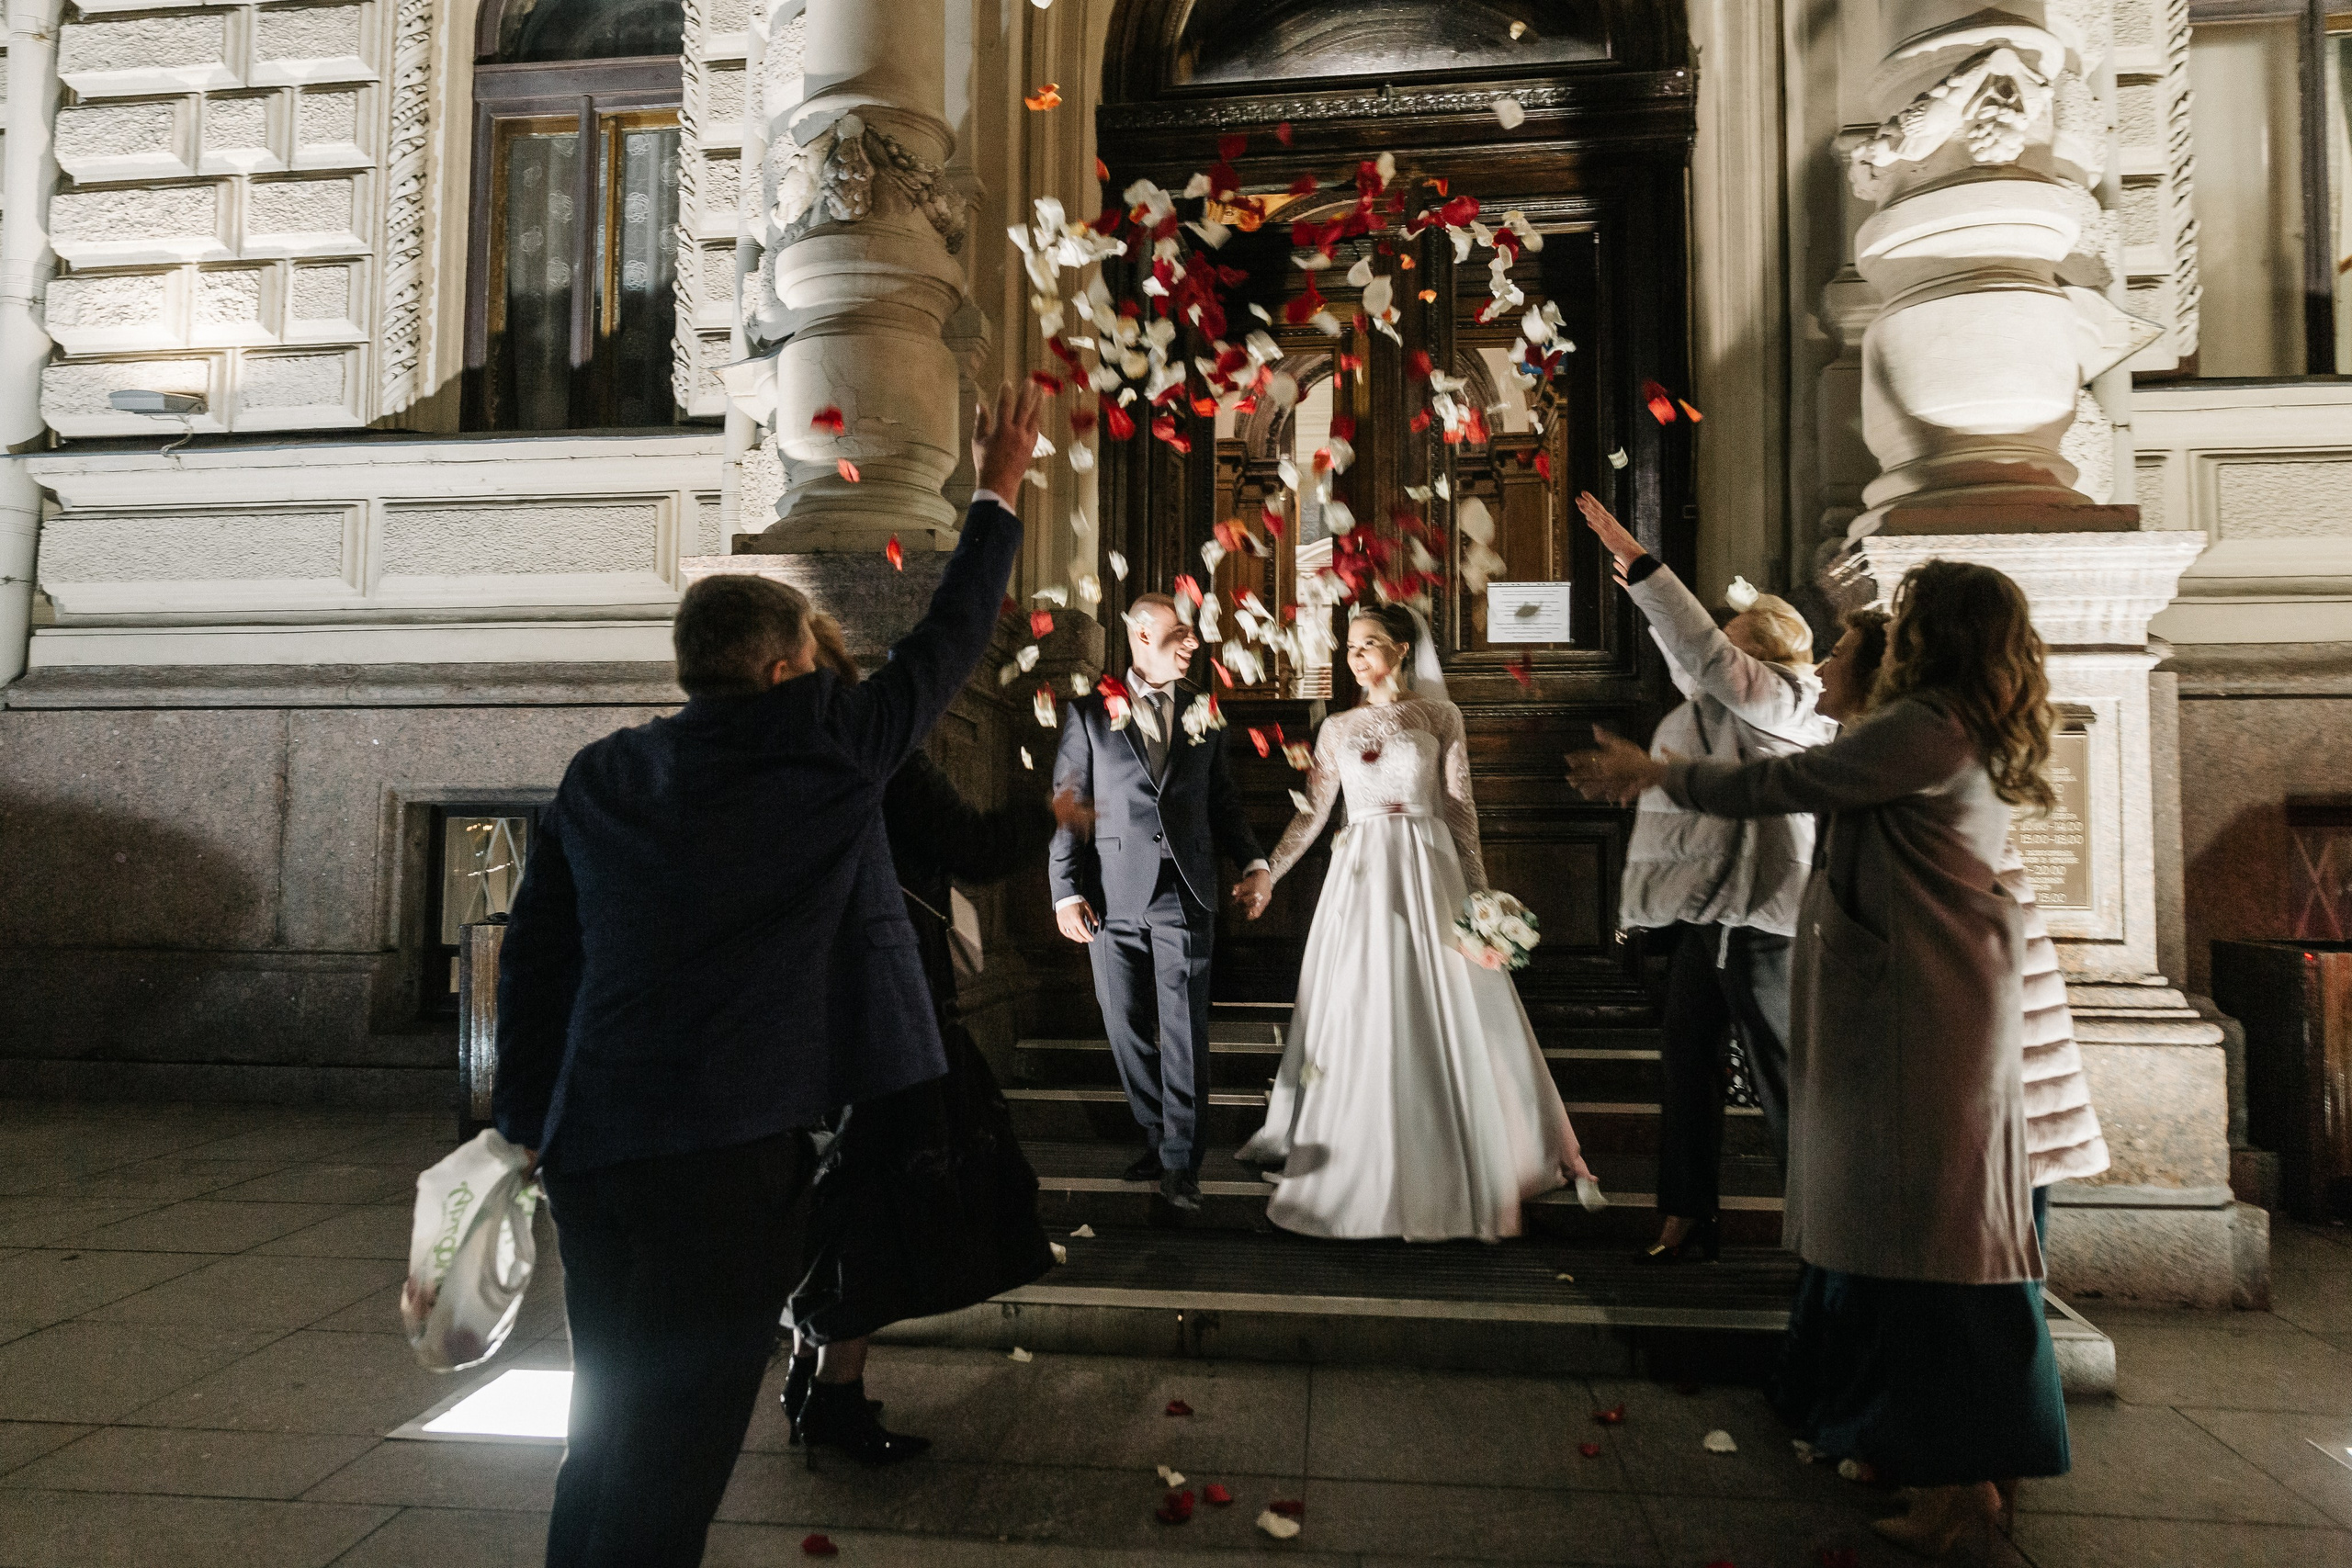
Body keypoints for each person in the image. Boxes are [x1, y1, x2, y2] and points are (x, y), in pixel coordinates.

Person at [492, 382, 1044, 1568]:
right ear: (792, 665)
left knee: (605, 1422)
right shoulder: (827, 747)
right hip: (727, 1160)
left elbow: (534, 959)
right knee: (675, 1451)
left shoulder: (602, 773)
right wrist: (997, 487)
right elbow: (949, 643)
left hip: (594, 1150)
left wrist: (524, 1118)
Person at [1566, 559, 2070, 1558]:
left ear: (1940, 635)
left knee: (1939, 1253)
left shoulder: (1927, 725)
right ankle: (1950, 1469)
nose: (1848, 641)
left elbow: (1791, 779)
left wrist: (1657, 773)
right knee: (1924, 1250)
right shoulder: (1939, 720)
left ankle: (1964, 1484)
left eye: (1878, 628)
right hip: (1916, 1005)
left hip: (1927, 1015)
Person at [779, 613, 1084, 1465]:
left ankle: (812, 1369)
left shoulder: (764, 758)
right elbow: (972, 846)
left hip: (802, 1004)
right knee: (883, 1194)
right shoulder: (872, 748)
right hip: (892, 1003)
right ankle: (834, 1388)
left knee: (846, 1182)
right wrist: (1050, 814)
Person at [1235, 602, 1597, 1241]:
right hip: (1363, 876)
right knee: (1365, 1004)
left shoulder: (1439, 715)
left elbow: (1461, 812)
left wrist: (1482, 902)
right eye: (1350, 646)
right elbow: (1314, 815)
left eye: (1370, 643)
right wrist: (1269, 869)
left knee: (1443, 1003)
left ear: (1403, 649)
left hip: (1429, 868)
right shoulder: (1337, 728)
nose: (1356, 655)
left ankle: (1467, 1150)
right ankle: (1357, 1155)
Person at [1576, 492, 1836, 1264]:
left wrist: (1648, 566)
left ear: (1771, 655)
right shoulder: (1722, 699)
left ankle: (1819, 1238)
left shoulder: (1786, 700)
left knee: (1785, 1084)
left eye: (1737, 638)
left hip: (1766, 923)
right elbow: (1694, 659)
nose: (1721, 648)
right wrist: (1648, 597)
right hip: (1709, 922)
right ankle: (1687, 1215)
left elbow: (1707, 659)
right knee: (1686, 1067)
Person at [1048, 593, 1270, 1213]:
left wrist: (1253, 861)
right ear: (1142, 636)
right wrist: (1065, 890)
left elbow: (1222, 798)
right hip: (1110, 892)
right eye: (1179, 633)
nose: (1193, 643)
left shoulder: (1205, 709)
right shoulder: (1089, 713)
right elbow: (1069, 807)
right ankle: (1157, 1129)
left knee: (1182, 1029)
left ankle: (1181, 1161)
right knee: (1122, 1024)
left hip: (1185, 887)